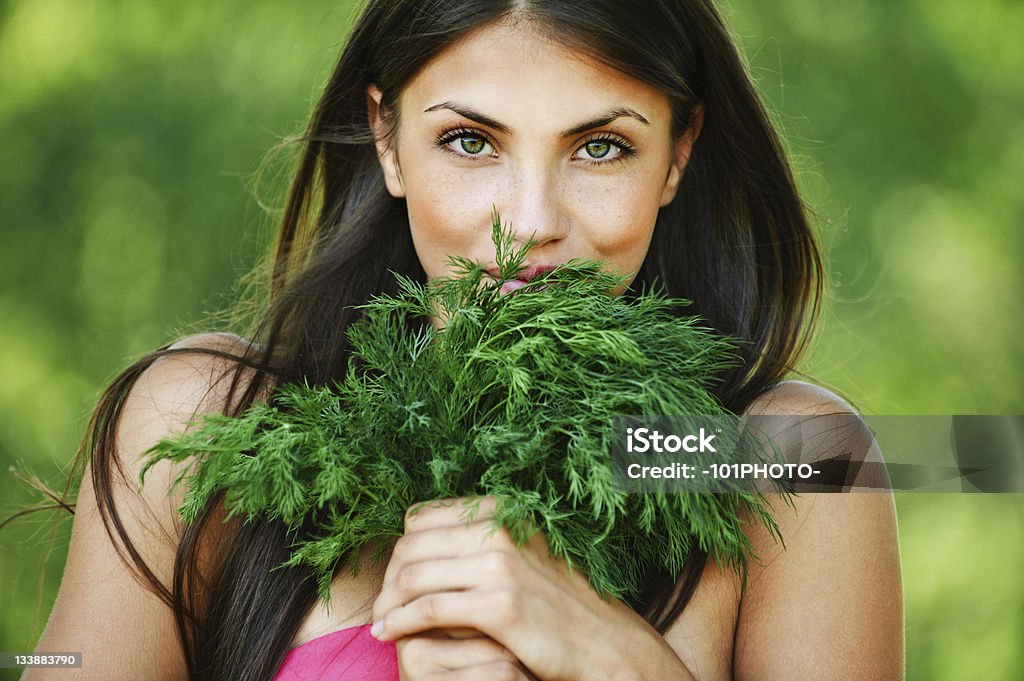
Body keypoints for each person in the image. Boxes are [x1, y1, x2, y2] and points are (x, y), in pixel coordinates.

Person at [26, 1, 904, 679]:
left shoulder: (793, 460)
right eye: (470, 141)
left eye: (600, 148)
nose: (529, 225)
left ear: (677, 154)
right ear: (389, 139)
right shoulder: (203, 428)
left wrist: (613, 657)